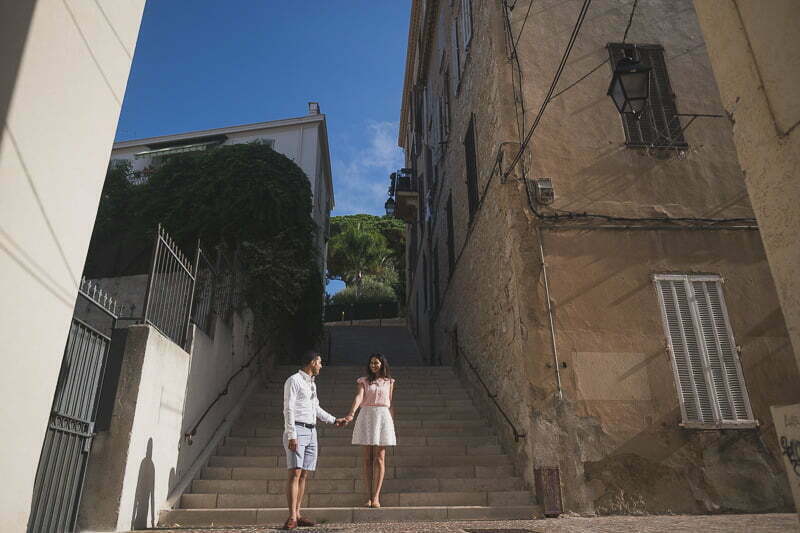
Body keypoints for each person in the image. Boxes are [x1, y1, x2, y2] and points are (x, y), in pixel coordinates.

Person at [282, 350, 346, 530]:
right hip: (298, 429)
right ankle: (292, 516)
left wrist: (333, 420)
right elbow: (288, 409)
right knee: (295, 472)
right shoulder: (293, 380)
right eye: (319, 362)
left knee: (304, 473)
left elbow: (316, 407)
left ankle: (298, 513)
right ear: (311, 362)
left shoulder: (311, 383)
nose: (321, 366)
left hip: (311, 431)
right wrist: (291, 434)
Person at [344, 353, 396, 508]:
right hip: (367, 415)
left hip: (383, 416)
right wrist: (351, 413)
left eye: (377, 362)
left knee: (380, 458)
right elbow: (359, 397)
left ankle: (376, 496)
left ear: (382, 364)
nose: (374, 365)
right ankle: (367, 496)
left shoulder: (389, 382)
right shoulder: (363, 381)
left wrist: (391, 423)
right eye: (372, 363)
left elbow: (391, 402)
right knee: (367, 459)